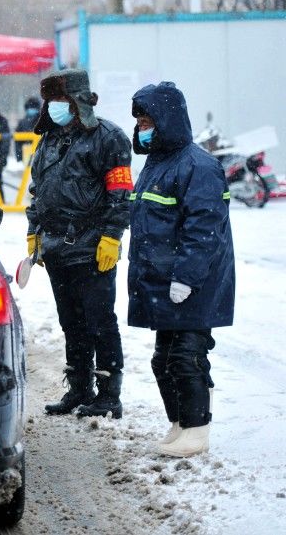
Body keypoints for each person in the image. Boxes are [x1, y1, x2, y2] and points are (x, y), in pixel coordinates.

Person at [128, 81, 235, 457]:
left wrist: (186, 277)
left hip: (193, 282)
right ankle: (179, 423)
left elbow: (203, 228)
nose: (142, 128)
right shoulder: (156, 165)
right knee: (163, 359)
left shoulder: (199, 166)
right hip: (162, 280)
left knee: (186, 356)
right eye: (139, 121)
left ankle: (197, 429)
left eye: (147, 121)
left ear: (166, 121)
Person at [26, 69, 132, 418]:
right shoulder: (49, 139)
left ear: (76, 101)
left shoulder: (109, 138)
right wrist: (34, 230)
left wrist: (112, 237)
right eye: (50, 101)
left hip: (91, 247)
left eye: (60, 100)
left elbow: (121, 194)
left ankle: (109, 394)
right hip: (56, 248)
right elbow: (37, 190)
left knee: (100, 321)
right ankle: (80, 387)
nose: (54, 108)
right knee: (71, 322)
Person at [14, 96, 41, 162]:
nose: (31, 109)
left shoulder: (42, 121)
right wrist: (19, 156)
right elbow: (17, 142)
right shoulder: (22, 123)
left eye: (33, 107)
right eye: (30, 107)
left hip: (40, 153)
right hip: (26, 154)